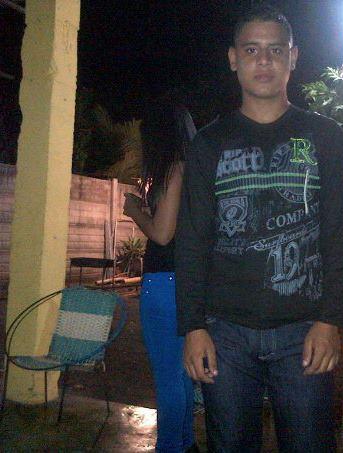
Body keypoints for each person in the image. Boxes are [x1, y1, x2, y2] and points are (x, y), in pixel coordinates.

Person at [175, 4, 343, 452]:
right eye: (252, 49)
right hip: (225, 333)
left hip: (304, 330)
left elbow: (339, 233)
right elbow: (193, 240)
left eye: (276, 50)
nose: (264, 61)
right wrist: (193, 327)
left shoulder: (324, 137)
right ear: (233, 58)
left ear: (293, 57)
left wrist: (330, 321)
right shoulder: (209, 143)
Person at [123, 102, 199, 453]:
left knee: (168, 376)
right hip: (186, 282)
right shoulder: (194, 169)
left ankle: (170, 446)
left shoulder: (173, 169)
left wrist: (134, 211)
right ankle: (185, 443)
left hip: (164, 284)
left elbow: (163, 234)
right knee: (182, 374)